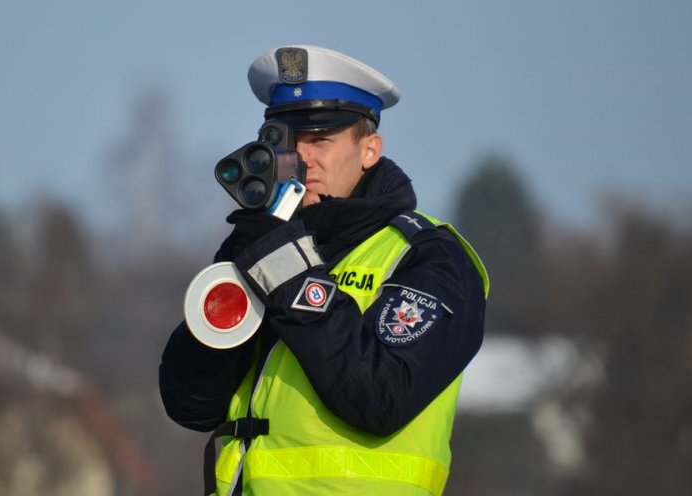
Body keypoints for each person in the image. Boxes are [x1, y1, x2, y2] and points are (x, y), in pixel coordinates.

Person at [159, 45, 489, 496]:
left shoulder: (429, 256)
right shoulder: (265, 245)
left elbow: (381, 395)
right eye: (286, 141)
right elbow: (190, 405)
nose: (301, 159)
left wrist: (281, 265)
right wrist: (250, 255)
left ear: (369, 149)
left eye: (320, 140)